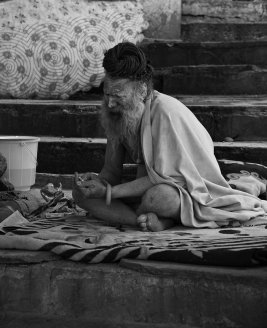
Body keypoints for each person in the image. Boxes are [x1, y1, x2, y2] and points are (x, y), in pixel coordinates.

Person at [72, 42, 267, 231]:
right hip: (139, 191)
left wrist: (109, 193)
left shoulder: (166, 111)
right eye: (106, 95)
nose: (110, 103)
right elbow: (111, 172)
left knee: (158, 198)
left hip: (186, 191)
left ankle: (158, 219)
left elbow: (165, 179)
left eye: (117, 96)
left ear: (141, 91)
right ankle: (143, 221)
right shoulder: (114, 114)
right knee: (79, 195)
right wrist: (93, 185)